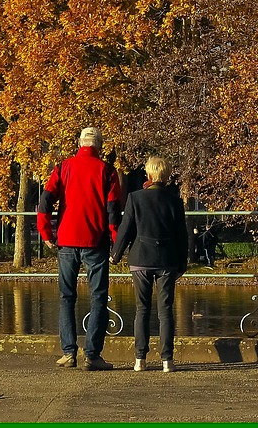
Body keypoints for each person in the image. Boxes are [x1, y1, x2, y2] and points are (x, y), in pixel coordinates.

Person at [37, 126, 122, 371]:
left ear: (79, 144)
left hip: (66, 239)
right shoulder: (107, 171)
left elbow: (45, 200)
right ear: (99, 146)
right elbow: (113, 209)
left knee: (66, 296)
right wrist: (115, 241)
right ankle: (92, 355)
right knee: (98, 297)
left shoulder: (63, 168)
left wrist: (46, 231)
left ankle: (69, 352)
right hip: (95, 241)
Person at [111, 155, 188, 373]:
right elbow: (182, 236)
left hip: (141, 259)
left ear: (149, 174)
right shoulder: (175, 201)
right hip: (167, 260)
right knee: (166, 311)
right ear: (166, 175)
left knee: (141, 309)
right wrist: (182, 263)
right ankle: (167, 360)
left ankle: (140, 359)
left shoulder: (136, 198)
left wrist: (115, 254)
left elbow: (125, 230)